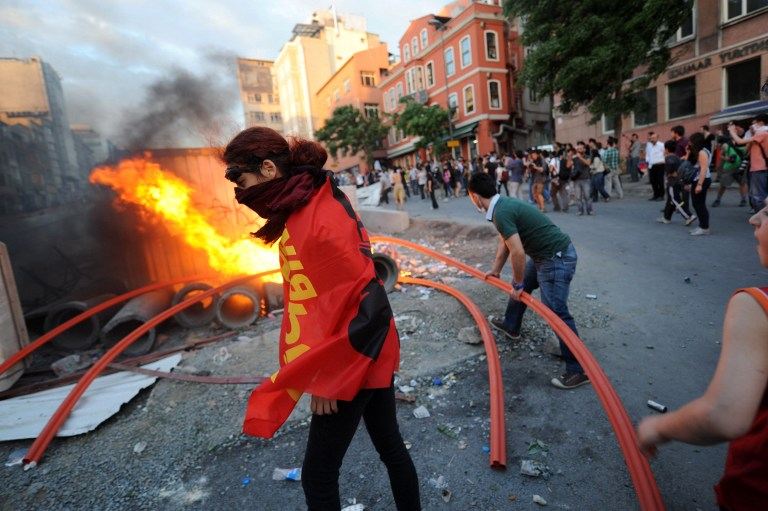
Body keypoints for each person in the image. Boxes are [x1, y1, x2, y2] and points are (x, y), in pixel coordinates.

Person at [224, 127, 420, 510]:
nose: (242, 196)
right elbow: (325, 300)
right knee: (390, 446)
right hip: (368, 349)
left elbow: (365, 303)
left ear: (268, 169)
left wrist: (330, 380)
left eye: (242, 183)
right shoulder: (310, 201)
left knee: (317, 476)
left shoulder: (316, 220)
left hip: (354, 356)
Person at [637, 199, 768, 511]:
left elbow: (723, 414)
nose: (754, 219)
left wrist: (657, 428)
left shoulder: (756, 305)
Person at [467, 172, 589, 389]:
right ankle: (511, 325)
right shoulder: (502, 205)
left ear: (475, 196)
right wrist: (496, 270)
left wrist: (517, 283)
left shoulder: (501, 212)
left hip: (556, 258)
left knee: (556, 313)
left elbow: (518, 252)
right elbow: (505, 242)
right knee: (526, 283)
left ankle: (578, 370)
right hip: (545, 256)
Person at [729, 113, 768, 213]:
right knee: (762, 196)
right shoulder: (760, 134)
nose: (752, 125)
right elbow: (746, 149)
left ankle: (762, 219)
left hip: (760, 168)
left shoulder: (763, 133)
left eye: (754, 123)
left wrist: (732, 131)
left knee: (758, 197)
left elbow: (739, 142)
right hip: (761, 168)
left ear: (761, 122)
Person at [658, 140, 694, 225]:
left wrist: (669, 173)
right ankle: (666, 217)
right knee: (670, 200)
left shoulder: (668, 158)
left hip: (672, 182)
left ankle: (689, 216)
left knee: (676, 200)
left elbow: (670, 170)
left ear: (666, 149)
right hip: (677, 181)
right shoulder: (677, 157)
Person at [687, 132, 712, 236]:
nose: (689, 143)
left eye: (691, 141)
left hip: (702, 179)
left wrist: (699, 184)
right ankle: (702, 225)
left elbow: (703, 169)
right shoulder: (702, 151)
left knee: (699, 204)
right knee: (697, 204)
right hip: (699, 179)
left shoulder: (702, 152)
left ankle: (705, 227)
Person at [712, 133, 748, 208]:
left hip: (738, 167)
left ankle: (743, 199)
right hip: (730, 167)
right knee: (724, 184)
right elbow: (721, 155)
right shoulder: (726, 145)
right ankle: (718, 199)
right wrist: (727, 158)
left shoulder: (739, 143)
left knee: (741, 183)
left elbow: (745, 151)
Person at [571, 141, 593, 216]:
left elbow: (588, 163)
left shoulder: (587, 156)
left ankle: (590, 210)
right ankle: (580, 211)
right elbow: (568, 165)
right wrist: (570, 156)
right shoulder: (574, 157)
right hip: (576, 179)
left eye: (581, 148)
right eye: (578, 148)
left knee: (587, 196)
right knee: (578, 197)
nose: (579, 150)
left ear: (584, 149)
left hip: (586, 179)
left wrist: (580, 157)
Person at [646, 132, 666, 200]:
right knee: (653, 181)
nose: (652, 139)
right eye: (651, 138)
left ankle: (661, 195)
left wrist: (664, 161)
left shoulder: (661, 145)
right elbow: (648, 154)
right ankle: (656, 195)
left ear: (657, 138)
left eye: (654, 138)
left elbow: (665, 153)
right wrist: (647, 160)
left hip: (660, 165)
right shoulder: (649, 145)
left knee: (660, 180)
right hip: (652, 165)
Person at [551, 148, 571, 212]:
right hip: (565, 179)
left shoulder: (555, 160)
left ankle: (557, 207)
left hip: (556, 179)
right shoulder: (567, 160)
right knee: (564, 194)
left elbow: (551, 169)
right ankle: (565, 208)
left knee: (553, 193)